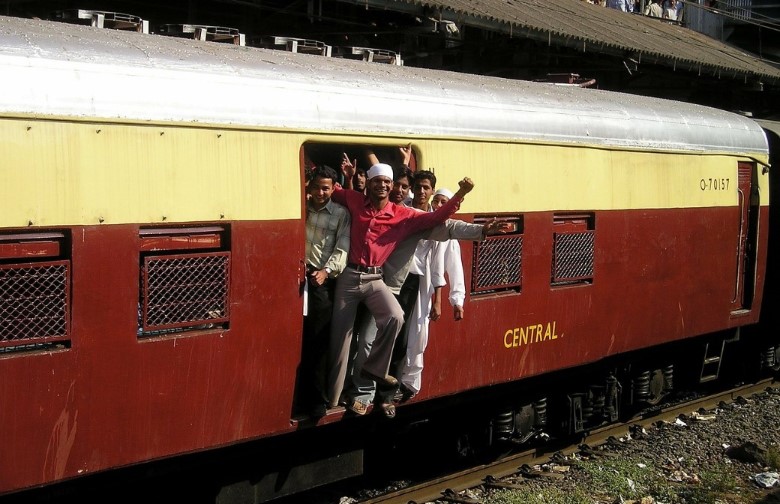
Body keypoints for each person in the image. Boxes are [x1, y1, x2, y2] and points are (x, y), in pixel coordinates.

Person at [325, 162, 475, 414]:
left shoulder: (402, 214)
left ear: (392, 186)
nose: (382, 185)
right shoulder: (353, 200)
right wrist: (344, 178)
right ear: (369, 184)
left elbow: (437, 219)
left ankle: (374, 373)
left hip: (378, 280)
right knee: (341, 341)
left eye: (387, 181)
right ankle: (332, 399)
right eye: (377, 181)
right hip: (350, 276)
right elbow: (331, 190)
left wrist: (460, 195)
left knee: (396, 318)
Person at [399, 187, 466, 398]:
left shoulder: (449, 235)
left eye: (443, 202)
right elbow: (410, 194)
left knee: (418, 333)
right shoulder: (420, 219)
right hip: (409, 281)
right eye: (436, 201)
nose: (438, 206)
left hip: (425, 287)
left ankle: (409, 381)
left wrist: (456, 300)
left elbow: (454, 269)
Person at [298, 165, 350, 418]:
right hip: (298, 277)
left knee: (318, 341)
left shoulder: (340, 214)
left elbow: (343, 247)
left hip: (320, 279)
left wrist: (326, 272)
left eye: (326, 188)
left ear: (333, 188)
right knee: (298, 337)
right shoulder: (301, 207)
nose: (320, 192)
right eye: (317, 187)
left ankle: (317, 399)